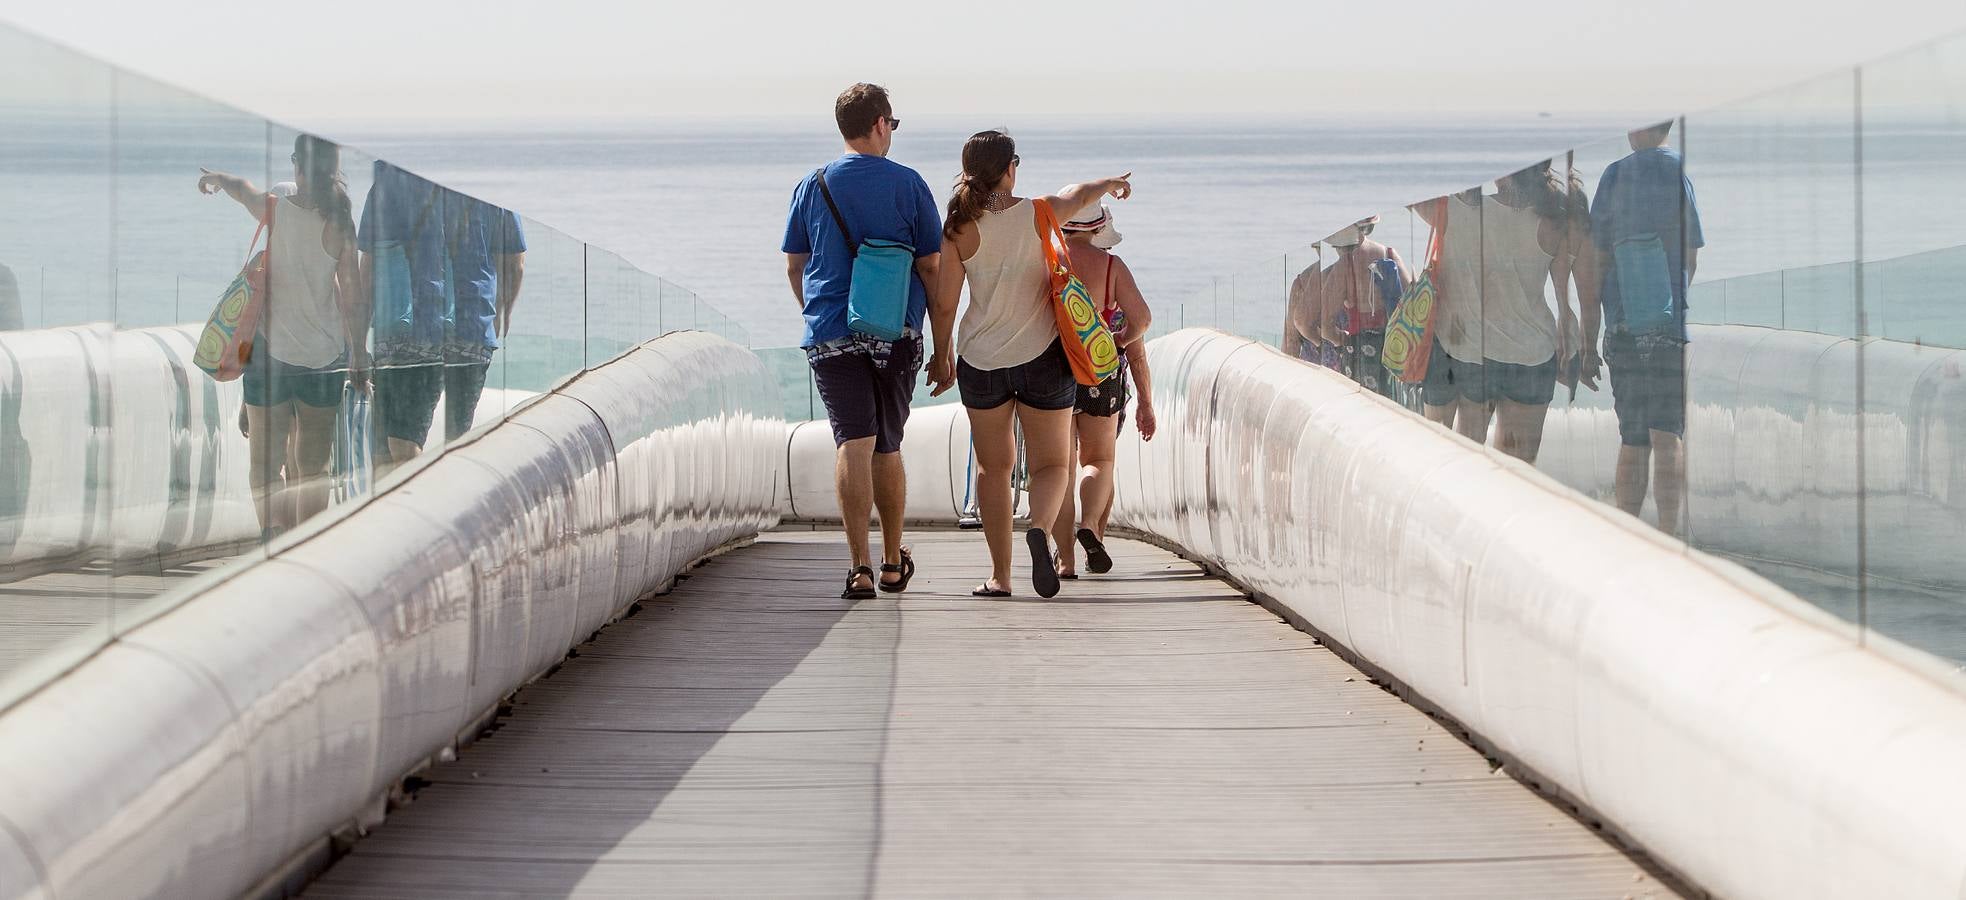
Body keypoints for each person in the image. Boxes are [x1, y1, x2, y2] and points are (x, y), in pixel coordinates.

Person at [930, 129, 1131, 598]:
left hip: (980, 360)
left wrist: (941, 357)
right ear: (1009, 169)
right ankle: (1039, 529)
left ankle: (1000, 576)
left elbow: (945, 303)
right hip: (1042, 356)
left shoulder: (958, 226)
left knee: (992, 468)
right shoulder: (1039, 213)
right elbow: (1078, 194)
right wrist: (1110, 183)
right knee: (1053, 465)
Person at [782, 83, 945, 600]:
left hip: (830, 331)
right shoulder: (910, 185)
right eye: (891, 124)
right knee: (888, 445)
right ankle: (894, 561)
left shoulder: (813, 184)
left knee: (852, 441)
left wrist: (819, 316)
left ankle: (859, 568)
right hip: (894, 330)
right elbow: (931, 266)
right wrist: (944, 347)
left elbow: (795, 264)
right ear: (880, 123)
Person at [198, 134, 366, 537]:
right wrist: (359, 352)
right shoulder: (341, 221)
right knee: (314, 466)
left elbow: (243, 191)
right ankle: (307, 543)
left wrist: (218, 178)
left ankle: (273, 534)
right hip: (324, 356)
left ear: (299, 167)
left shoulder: (275, 210)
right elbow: (353, 296)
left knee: (264, 462)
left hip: (271, 356)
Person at [1418, 163, 1596, 463]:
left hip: (1475, 354)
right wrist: (1580, 350)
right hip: (1533, 357)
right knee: (1516, 469)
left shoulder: (1455, 211)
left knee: (1467, 464)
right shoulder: (1552, 220)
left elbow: (1404, 183)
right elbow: (1564, 301)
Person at [1589, 121, 1704, 536]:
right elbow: (1691, 256)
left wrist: (1593, 327)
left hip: (1621, 325)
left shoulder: (1614, 176)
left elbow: (1595, 257)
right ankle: (1671, 536)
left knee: (1633, 438)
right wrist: (1671, 299)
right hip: (1667, 325)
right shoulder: (1678, 172)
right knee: (1668, 434)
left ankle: (1628, 536)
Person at [1052, 205, 1154, 580]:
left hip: (1051, 371)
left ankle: (1064, 559)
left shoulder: (1045, 259)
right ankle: (1091, 528)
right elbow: (1141, 318)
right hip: (1099, 371)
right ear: (1098, 228)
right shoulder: (1110, 266)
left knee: (1058, 468)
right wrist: (1119, 340)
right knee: (1098, 461)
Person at [356, 162, 448, 470]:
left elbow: (366, 267)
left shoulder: (383, 187)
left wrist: (357, 342)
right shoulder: (446, 189)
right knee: (397, 447)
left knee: (394, 448)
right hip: (429, 330)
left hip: (398, 331)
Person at [439, 191, 525, 442]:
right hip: (475, 322)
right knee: (457, 432)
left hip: (426, 321)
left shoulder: (430, 188)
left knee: (411, 431)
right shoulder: (499, 196)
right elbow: (516, 264)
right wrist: (504, 311)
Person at [1316, 216, 1408, 397]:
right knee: (1390, 407)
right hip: (1393, 348)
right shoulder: (1389, 253)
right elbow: (1409, 296)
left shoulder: (1345, 266)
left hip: (1359, 352)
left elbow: (1325, 325)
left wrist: (1343, 340)